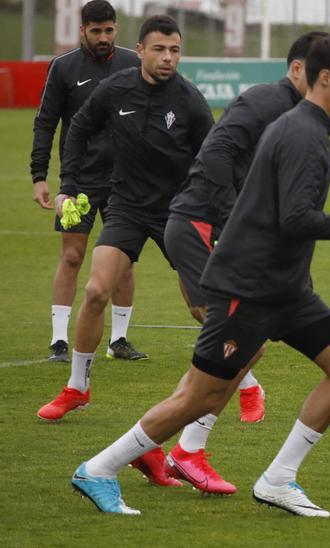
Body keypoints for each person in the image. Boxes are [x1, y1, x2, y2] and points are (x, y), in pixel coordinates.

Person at [70, 35, 330, 517]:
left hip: (285, 287)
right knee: (198, 396)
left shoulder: (302, 126)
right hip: (248, 288)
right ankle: (99, 469)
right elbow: (295, 218)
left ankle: (278, 479)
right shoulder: (301, 134)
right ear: (325, 78)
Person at [39, 14, 214, 486]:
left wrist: (213, 212)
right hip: (127, 208)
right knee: (95, 290)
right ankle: (78, 387)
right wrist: (69, 184)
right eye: (160, 50)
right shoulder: (115, 90)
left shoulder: (190, 101)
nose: (168, 59)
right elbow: (77, 129)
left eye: (176, 51)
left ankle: (244, 383)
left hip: (178, 213)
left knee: (204, 307)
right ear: (140, 50)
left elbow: (214, 158)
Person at [156, 31, 330, 496]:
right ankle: (182, 449)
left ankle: (161, 443)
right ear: (297, 69)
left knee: (239, 344)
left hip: (217, 229)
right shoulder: (264, 100)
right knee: (239, 342)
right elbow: (214, 152)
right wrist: (236, 222)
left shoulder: (298, 116)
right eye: (320, 72)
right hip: (202, 225)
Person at [29, 0, 145, 363]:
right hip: (77, 180)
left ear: (115, 29)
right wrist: (39, 176)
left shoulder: (132, 64)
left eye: (109, 30)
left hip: (125, 180)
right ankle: (59, 340)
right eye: (96, 31)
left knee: (123, 259)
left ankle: (120, 340)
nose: (103, 37)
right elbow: (46, 122)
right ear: (82, 31)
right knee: (73, 255)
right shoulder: (63, 68)